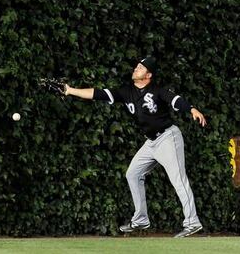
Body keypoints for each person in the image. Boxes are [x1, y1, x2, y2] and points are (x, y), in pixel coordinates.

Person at [62, 56, 207, 238]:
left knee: (178, 179)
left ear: (148, 74)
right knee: (133, 174)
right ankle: (141, 219)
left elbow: (176, 100)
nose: (136, 69)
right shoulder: (127, 92)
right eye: (137, 66)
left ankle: (192, 223)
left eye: (140, 67)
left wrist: (192, 109)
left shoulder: (158, 90)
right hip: (151, 142)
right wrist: (70, 90)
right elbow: (98, 94)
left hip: (168, 138)